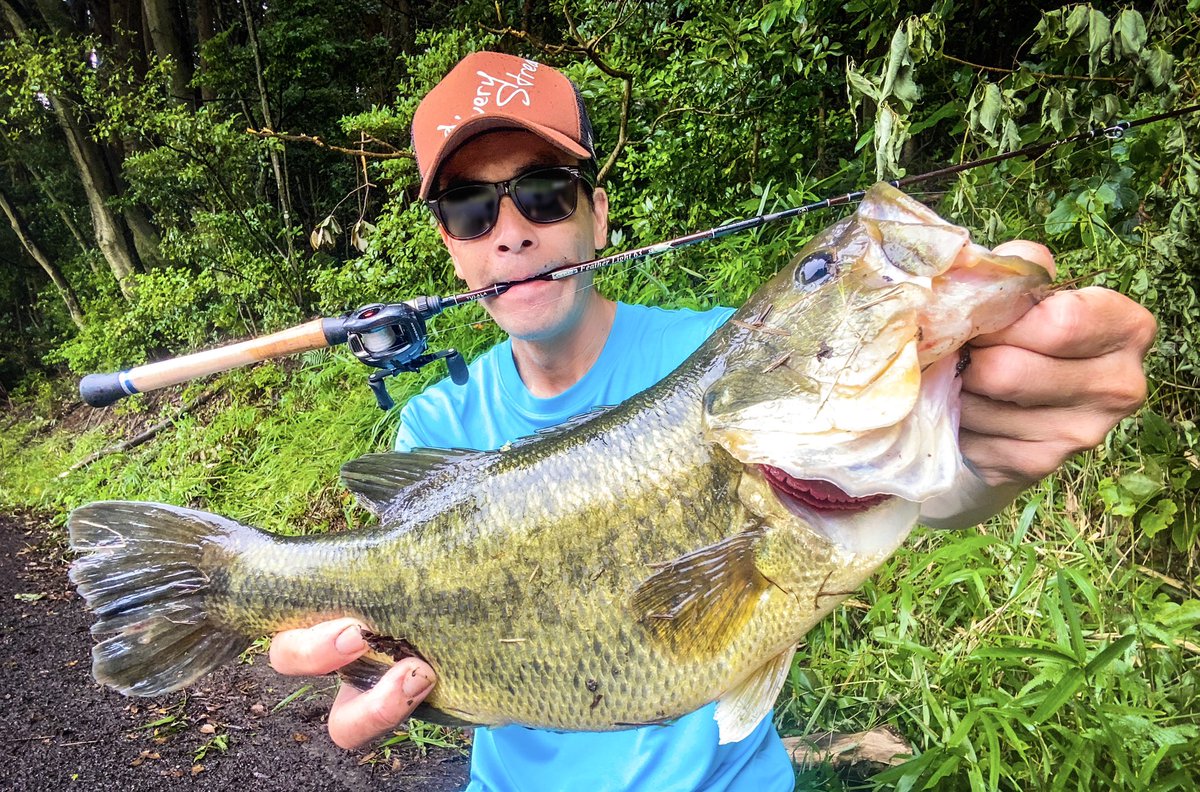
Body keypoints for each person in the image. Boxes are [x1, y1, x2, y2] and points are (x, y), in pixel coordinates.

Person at [270, 52, 1157, 790]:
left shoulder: (719, 358)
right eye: (471, 208)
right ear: (452, 247)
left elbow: (914, 481)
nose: (511, 230)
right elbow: (382, 643)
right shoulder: (439, 423)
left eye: (544, 193)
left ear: (599, 214)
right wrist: (363, 691)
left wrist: (986, 456)